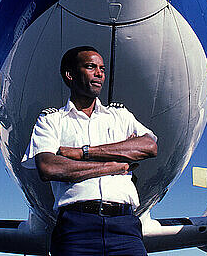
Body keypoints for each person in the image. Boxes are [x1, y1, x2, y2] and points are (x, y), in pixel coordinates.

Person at [22, 45, 158, 256]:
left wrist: (83, 153)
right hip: (76, 229)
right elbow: (48, 167)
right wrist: (113, 165)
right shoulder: (50, 120)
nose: (99, 74)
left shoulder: (120, 116)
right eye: (90, 67)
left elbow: (149, 146)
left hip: (125, 227)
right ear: (70, 75)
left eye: (102, 69)